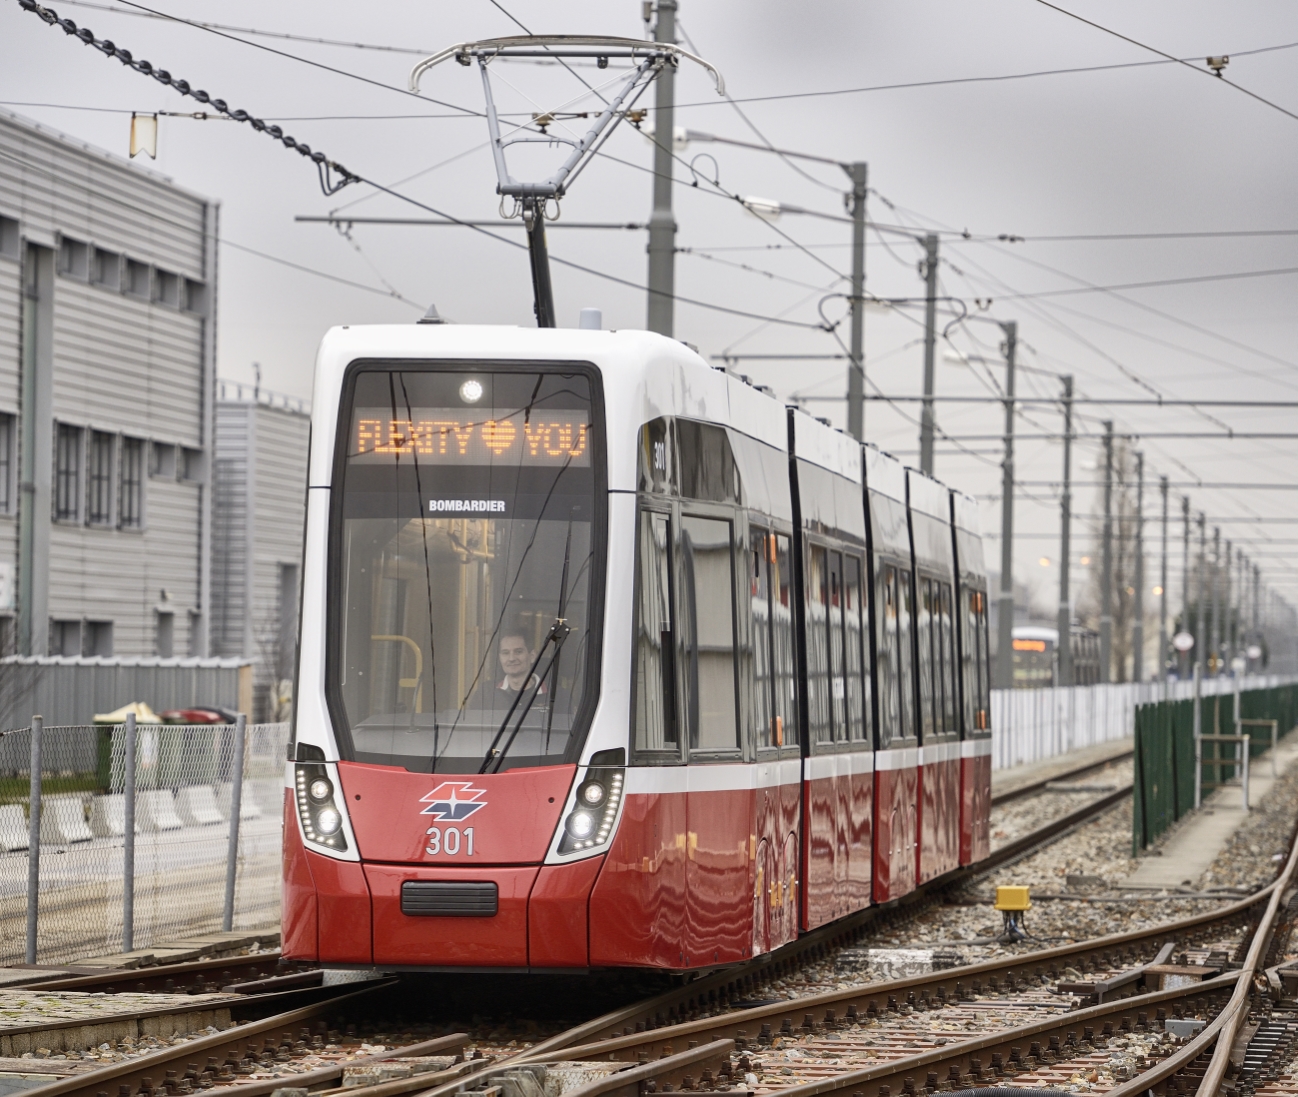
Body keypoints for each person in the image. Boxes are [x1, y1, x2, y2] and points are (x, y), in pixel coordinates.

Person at [497, 627, 548, 696]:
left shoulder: (557, 694)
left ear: (532, 656)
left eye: (518, 652)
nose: (511, 658)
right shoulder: (486, 693)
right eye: (505, 653)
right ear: (500, 658)